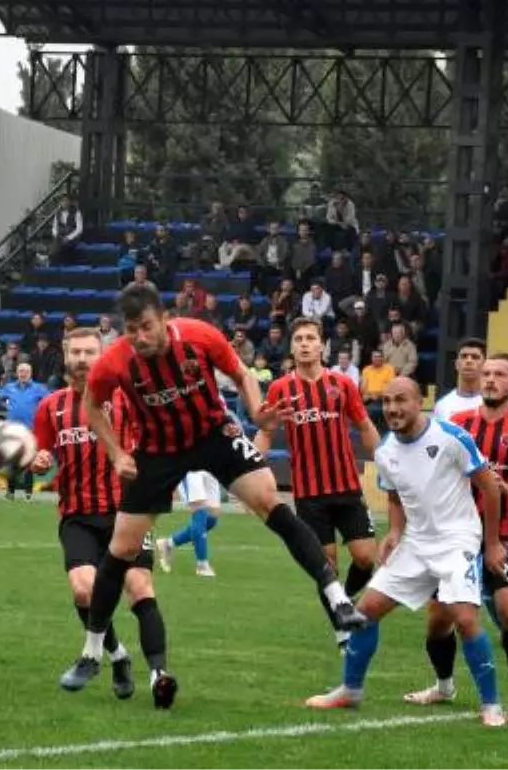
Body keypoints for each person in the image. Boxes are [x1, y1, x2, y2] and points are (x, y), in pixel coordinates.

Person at [70, 284, 366, 705]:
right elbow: (91, 404)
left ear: (165, 320)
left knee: (269, 501)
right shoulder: (115, 360)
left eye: (147, 327)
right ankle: (92, 652)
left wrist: (257, 414)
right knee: (121, 548)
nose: (139, 337)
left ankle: (338, 601)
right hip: (156, 449)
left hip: (213, 433)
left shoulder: (198, 335)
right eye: (132, 329)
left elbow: (242, 374)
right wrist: (116, 452)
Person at [304, 378, 508, 726]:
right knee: (364, 611)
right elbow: (396, 494)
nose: (393, 408)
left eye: (401, 400)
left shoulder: (451, 437)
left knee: (465, 618)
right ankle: (350, 690)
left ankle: (492, 705)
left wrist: (492, 544)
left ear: (418, 402)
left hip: (458, 540)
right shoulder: (385, 450)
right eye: (386, 401)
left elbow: (490, 488)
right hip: (417, 542)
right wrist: (396, 531)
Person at [404, 356, 508, 718]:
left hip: (506, 539)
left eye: (500, 375)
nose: (490, 380)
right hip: (455, 539)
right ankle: (443, 687)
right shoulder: (458, 425)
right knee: (438, 621)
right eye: (487, 374)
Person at [31, 327, 167, 700]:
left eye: (89, 352)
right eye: (75, 352)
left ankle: (160, 675)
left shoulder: (130, 397)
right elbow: (42, 458)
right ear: (64, 355)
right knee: (84, 591)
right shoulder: (51, 407)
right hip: (78, 515)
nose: (81, 359)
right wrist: (39, 460)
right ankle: (117, 656)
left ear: (102, 354)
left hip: (129, 512)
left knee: (139, 587)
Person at [255, 318, 382, 652]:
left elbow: (365, 425)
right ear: (292, 346)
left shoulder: (341, 384)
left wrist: (388, 462)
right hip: (310, 494)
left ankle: (347, 598)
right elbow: (267, 430)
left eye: (311, 337)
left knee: (366, 557)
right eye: (298, 338)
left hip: (346, 487)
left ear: (322, 345)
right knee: (326, 566)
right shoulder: (280, 389)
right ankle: (343, 635)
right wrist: (252, 466)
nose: (305, 343)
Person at [433, 339, 508, 605]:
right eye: (464, 356)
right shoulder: (445, 407)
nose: (469, 361)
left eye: (475, 357)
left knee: (505, 549)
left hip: (505, 497)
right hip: (464, 502)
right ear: (457, 363)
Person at [0, 362, 50, 499]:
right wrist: (7, 406)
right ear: (17, 373)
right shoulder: (9, 387)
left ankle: (28, 494)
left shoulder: (39, 388)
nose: (23, 374)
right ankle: (10, 492)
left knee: (29, 463)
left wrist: (41, 414)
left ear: (30, 373)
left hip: (31, 431)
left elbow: (50, 402)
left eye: (26, 371)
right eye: (21, 371)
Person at [156, 470, 222, 577]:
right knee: (200, 512)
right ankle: (202, 565)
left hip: (210, 466)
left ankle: (167, 544)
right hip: (191, 467)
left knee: (212, 519)